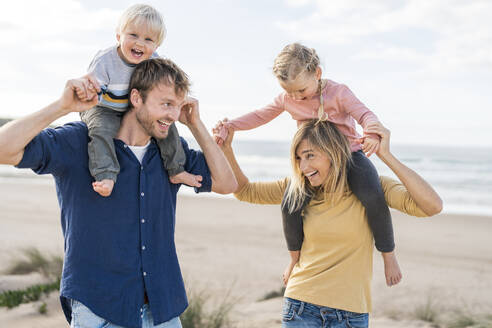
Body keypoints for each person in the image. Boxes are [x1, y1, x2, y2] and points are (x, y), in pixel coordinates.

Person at [0, 58, 237, 328]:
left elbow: (226, 184)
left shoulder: (172, 153)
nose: (173, 115)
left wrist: (195, 124)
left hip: (162, 308)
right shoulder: (81, 141)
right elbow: (3, 149)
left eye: (178, 105)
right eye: (166, 104)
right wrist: (62, 106)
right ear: (136, 97)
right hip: (99, 308)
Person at [219, 119, 442, 327]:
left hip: (351, 314)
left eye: (310, 155)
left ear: (333, 153)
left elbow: (432, 206)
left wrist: (386, 156)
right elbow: (245, 191)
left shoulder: (373, 189)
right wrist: (227, 149)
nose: (303, 167)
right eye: (298, 158)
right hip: (302, 307)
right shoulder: (297, 188)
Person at [214, 42, 401, 286]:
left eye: (301, 90)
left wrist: (372, 133)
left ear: (318, 74)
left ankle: (389, 255)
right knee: (290, 204)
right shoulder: (286, 99)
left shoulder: (338, 93)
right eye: (289, 92)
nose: (295, 97)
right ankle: (294, 258)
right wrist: (231, 125)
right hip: (315, 164)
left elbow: (364, 114)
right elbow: (260, 115)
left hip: (349, 156)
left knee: (372, 195)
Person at [76, 4, 201, 198]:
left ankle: (176, 170)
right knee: (101, 130)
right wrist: (88, 93)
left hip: (129, 106)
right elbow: (93, 87)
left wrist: (176, 101)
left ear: (156, 46)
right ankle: (106, 173)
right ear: (119, 36)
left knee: (167, 126)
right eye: (133, 35)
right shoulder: (105, 60)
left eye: (148, 39)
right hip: (103, 106)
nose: (140, 43)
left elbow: (167, 84)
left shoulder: (154, 60)